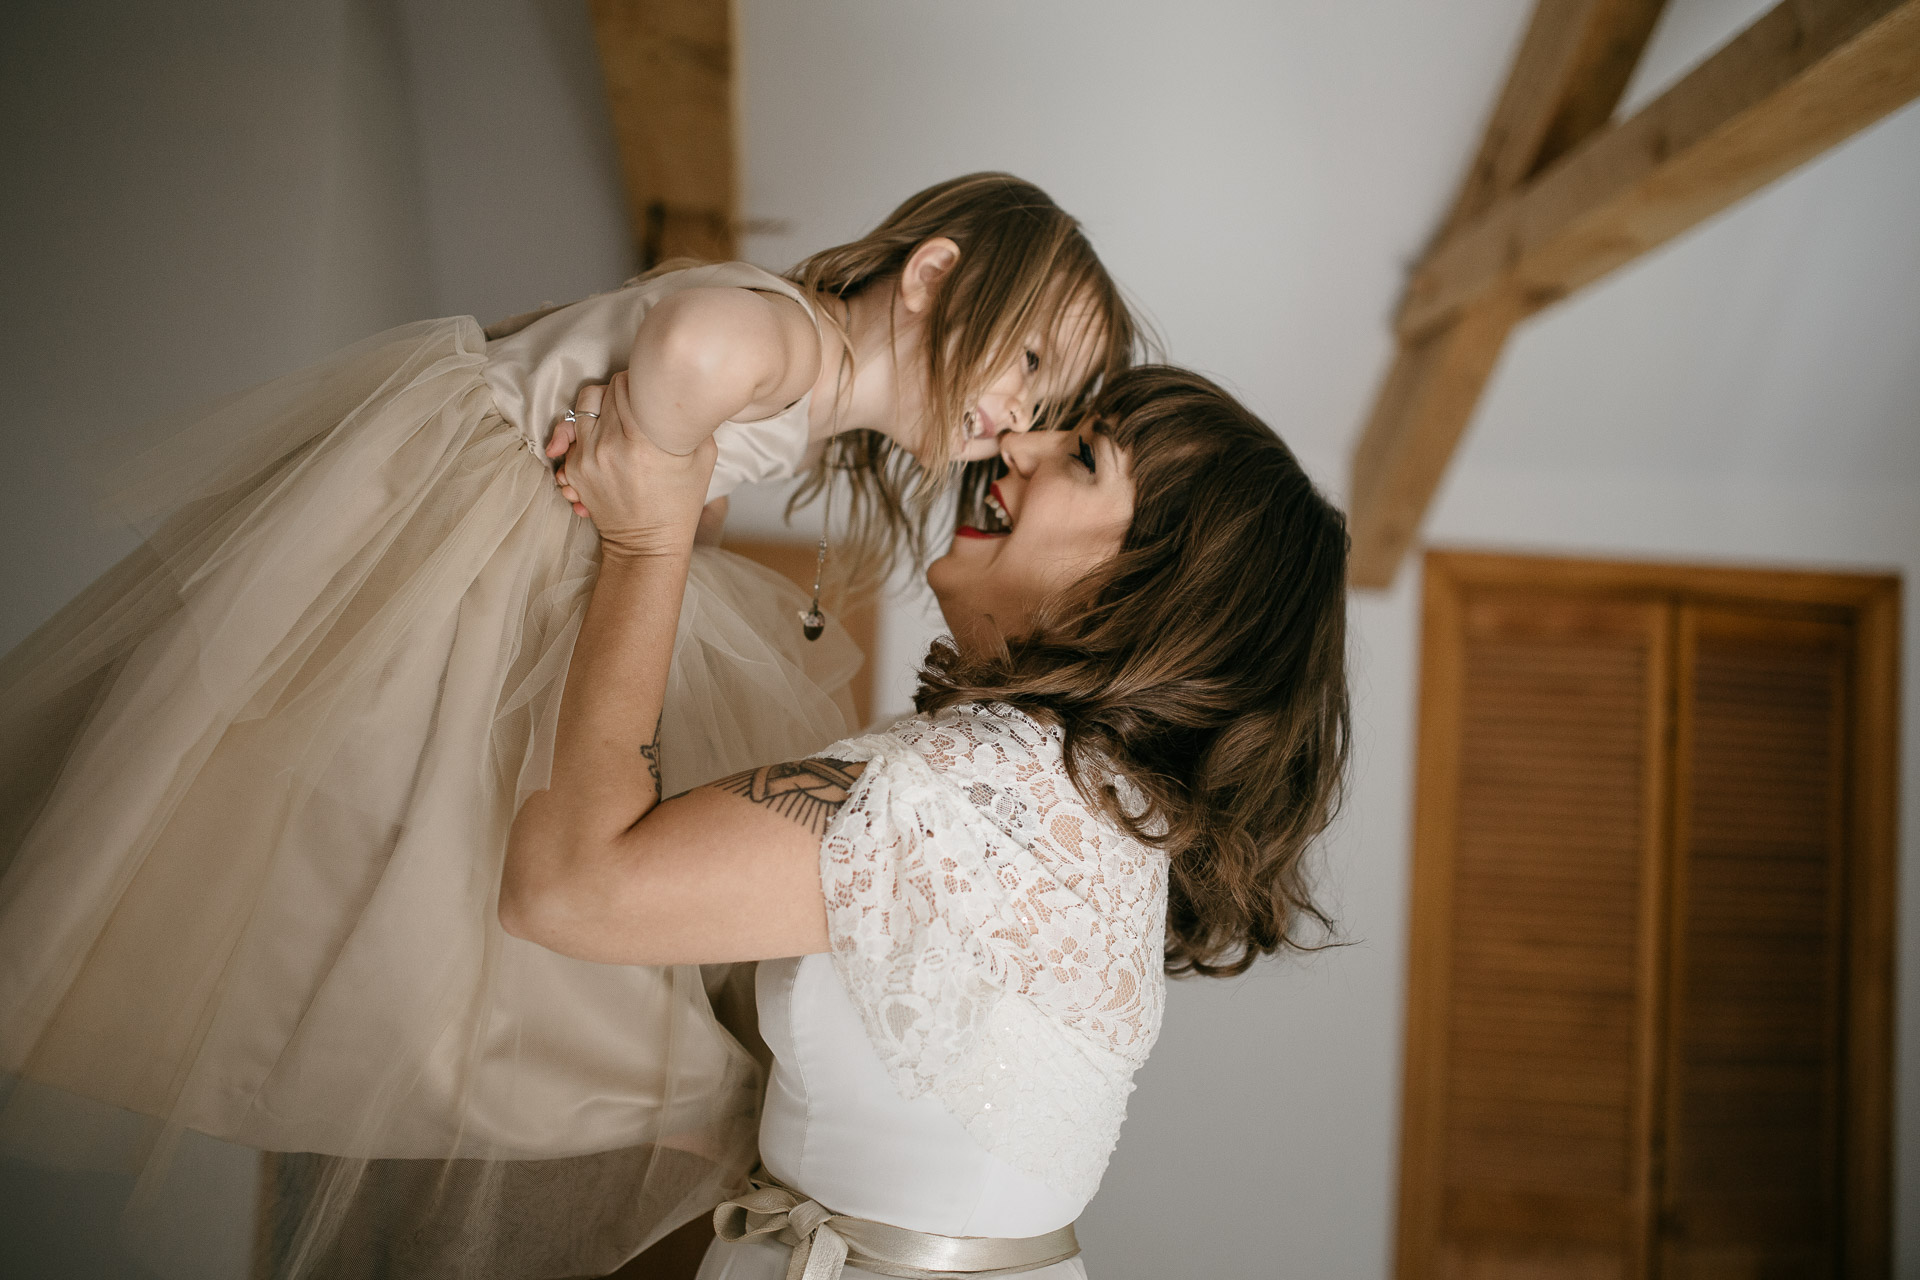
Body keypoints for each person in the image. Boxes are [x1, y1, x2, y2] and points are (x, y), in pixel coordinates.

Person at [0, 174, 1134, 1277]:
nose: (1013, 418)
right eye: (1025, 361)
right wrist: (653, 460)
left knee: (451, 829)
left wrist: (672, 480)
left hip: (530, 547)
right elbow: (692, 344)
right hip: (494, 543)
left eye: (1045, 403)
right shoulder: (802, 346)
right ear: (933, 276)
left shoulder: (822, 377)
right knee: (431, 818)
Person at [504, 365, 1351, 1279]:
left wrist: (646, 546)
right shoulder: (1070, 794)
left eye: (1081, 454)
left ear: (1148, 582)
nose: (1015, 447)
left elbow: (568, 890)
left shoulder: (986, 794)